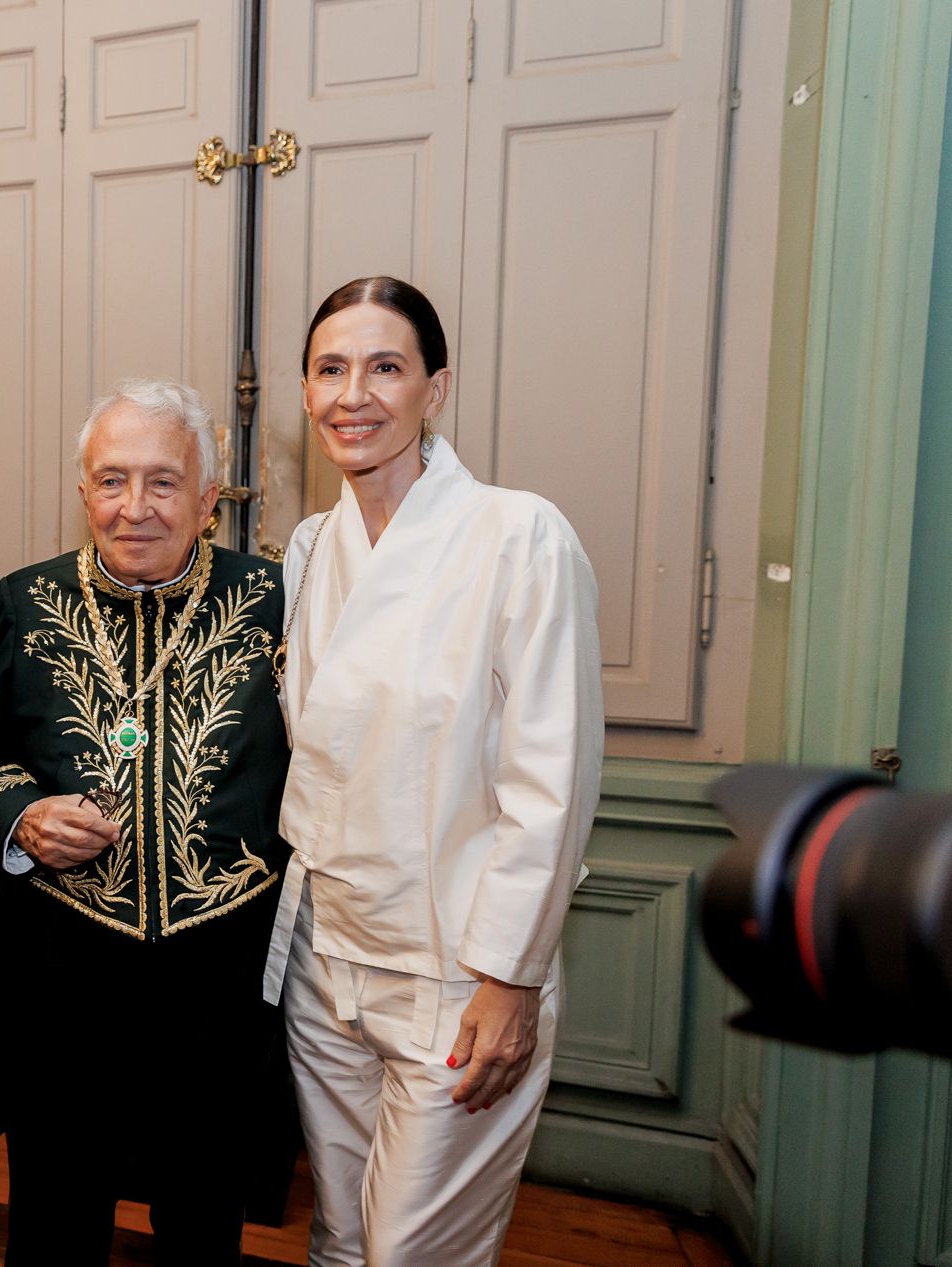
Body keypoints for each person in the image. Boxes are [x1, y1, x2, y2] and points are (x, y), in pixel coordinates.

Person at [265, 276, 604, 1266]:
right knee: (338, 1233)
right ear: (304, 390)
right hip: (325, 964)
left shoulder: (518, 535)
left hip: (459, 971)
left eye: (384, 367)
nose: (352, 394)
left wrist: (510, 980)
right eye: (330, 368)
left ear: (434, 388)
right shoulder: (309, 547)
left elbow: (553, 779)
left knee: (416, 1251)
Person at [0, 378, 291, 1266]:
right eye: (112, 481)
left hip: (216, 988)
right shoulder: (26, 601)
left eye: (162, 482)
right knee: (54, 1226)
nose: (134, 508)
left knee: (202, 1226)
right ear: (83, 492)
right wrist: (21, 816)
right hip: (62, 982)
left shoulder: (276, 599)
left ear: (208, 499)